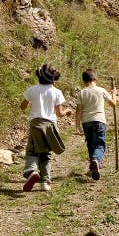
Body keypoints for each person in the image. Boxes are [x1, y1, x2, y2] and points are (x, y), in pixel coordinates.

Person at [20, 63, 72, 192]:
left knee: (32, 150)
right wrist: (67, 111)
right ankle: (45, 182)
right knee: (46, 153)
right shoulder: (57, 92)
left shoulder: (32, 89)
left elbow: (22, 106)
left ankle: (32, 171)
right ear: (53, 78)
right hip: (50, 126)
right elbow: (60, 114)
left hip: (35, 124)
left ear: (39, 76)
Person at [75, 68, 116, 180]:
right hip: (99, 121)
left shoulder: (82, 93)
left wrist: (77, 126)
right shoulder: (101, 90)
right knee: (100, 145)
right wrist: (114, 94)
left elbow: (78, 111)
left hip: (86, 122)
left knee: (90, 145)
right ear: (96, 79)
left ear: (84, 81)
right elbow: (113, 104)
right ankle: (96, 160)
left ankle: (93, 167)